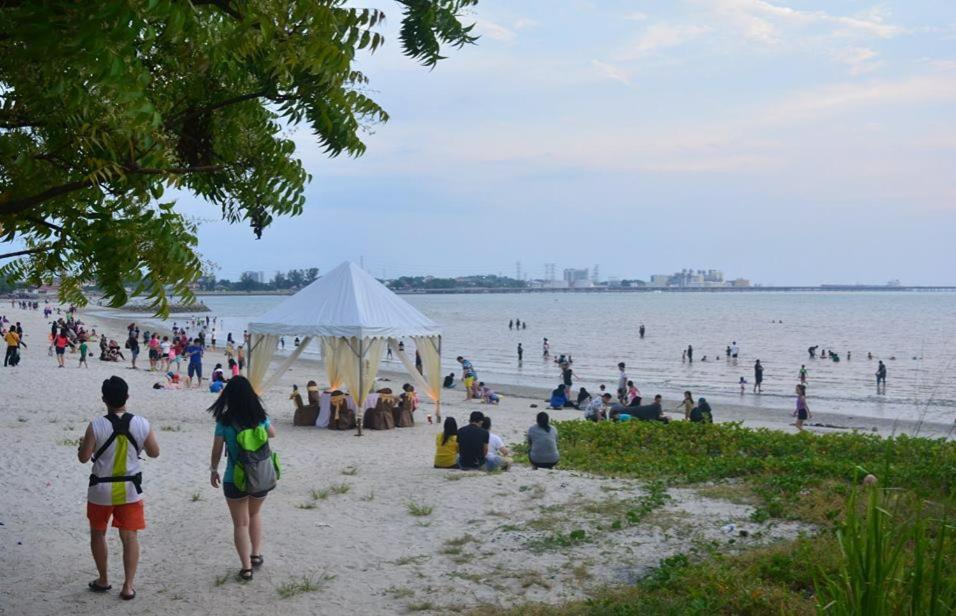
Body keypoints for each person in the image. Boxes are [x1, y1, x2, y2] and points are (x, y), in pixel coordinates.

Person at [78, 376, 160, 600]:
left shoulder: (96, 425)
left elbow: (84, 458)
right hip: (130, 490)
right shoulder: (142, 423)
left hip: (100, 490)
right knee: (130, 537)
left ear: (104, 399)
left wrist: (81, 448)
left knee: (98, 533)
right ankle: (128, 586)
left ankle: (103, 579)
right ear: (127, 397)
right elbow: (154, 453)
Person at [208, 376, 277, 581]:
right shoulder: (259, 416)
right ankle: (256, 555)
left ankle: (246, 568)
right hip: (259, 475)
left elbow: (217, 450)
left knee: (240, 523)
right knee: (254, 515)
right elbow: (272, 434)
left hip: (234, 478)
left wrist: (213, 470)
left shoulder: (225, 420)